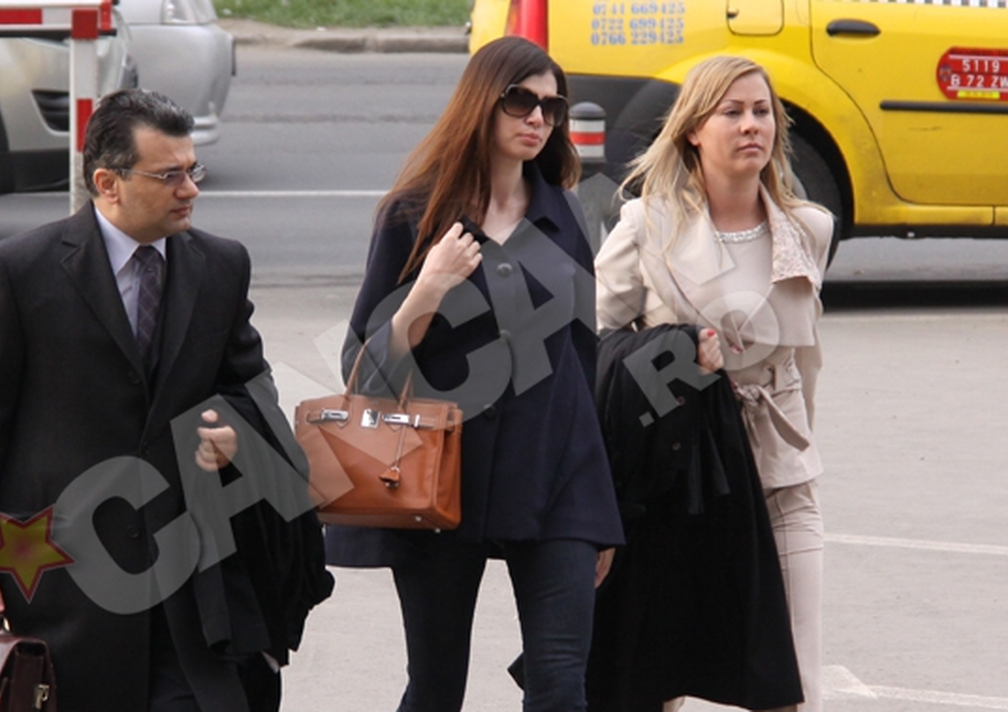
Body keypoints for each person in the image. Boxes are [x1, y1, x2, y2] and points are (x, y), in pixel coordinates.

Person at [0, 88, 332, 712]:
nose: (190, 189)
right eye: (169, 175)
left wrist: (236, 435)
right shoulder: (20, 270)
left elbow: (249, 386)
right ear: (108, 183)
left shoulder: (221, 266)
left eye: (193, 170)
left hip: (191, 571)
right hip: (64, 576)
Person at [325, 37, 625, 712]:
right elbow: (363, 371)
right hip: (440, 477)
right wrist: (428, 289)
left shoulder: (562, 214)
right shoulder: (414, 214)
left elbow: (581, 360)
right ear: (481, 103)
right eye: (521, 100)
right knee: (436, 689)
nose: (538, 118)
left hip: (557, 474)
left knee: (561, 686)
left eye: (551, 106)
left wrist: (598, 508)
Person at [592, 55, 833, 711]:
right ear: (694, 130)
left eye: (762, 111)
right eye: (732, 112)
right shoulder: (646, 225)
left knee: (792, 682)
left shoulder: (809, 229)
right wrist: (677, 355)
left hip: (780, 474)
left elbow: (807, 357)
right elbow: (595, 351)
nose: (751, 125)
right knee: (656, 680)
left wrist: (802, 446)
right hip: (679, 474)